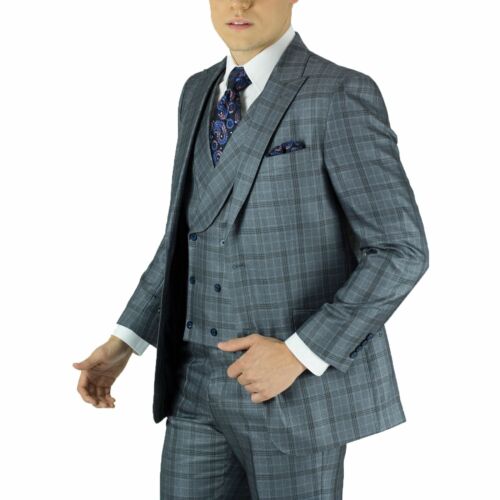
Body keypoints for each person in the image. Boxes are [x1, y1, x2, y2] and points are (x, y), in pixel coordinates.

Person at [73, 1, 429, 498]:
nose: (239, 4)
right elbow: (186, 235)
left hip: (293, 391)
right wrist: (125, 341)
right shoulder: (197, 90)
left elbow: (399, 250)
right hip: (193, 384)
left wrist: (300, 353)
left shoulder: (339, 92)